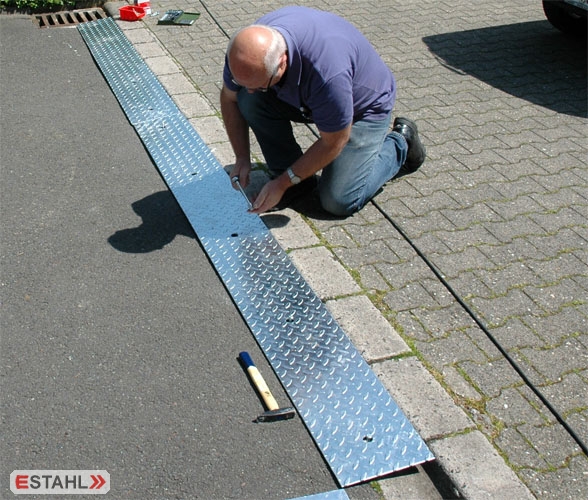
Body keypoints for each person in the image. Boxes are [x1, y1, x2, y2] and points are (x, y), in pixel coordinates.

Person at [220, 6, 425, 216]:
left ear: (282, 63)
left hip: (363, 108)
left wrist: (280, 184)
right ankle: (298, 183)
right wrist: (242, 157)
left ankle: (401, 145)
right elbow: (229, 98)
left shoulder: (327, 74)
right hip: (312, 97)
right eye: (242, 81)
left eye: (260, 85)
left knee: (337, 200)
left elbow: (334, 140)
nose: (251, 90)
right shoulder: (244, 52)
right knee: (247, 100)